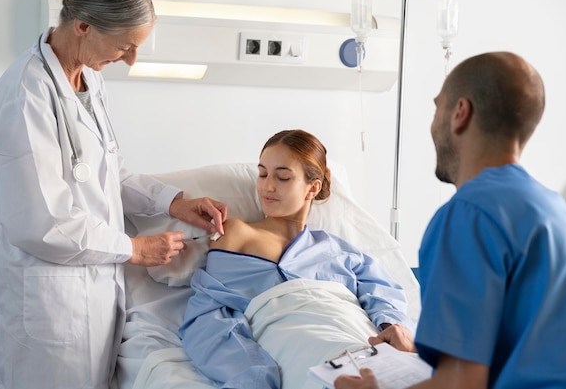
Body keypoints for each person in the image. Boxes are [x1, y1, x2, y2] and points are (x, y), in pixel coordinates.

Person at [0, 0, 227, 388]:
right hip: (45, 311)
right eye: (125, 45)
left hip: (90, 299)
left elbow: (109, 175)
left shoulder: (89, 81)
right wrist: (134, 248)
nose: (130, 59)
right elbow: (42, 225)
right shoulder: (26, 96)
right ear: (83, 26)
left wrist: (173, 203)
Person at [334, 51, 566, 389]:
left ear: (460, 113)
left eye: (437, 107)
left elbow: (462, 384)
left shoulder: (469, 215)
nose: (433, 123)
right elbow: (524, 343)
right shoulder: (555, 210)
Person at [178, 129, 415, 389]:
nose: (267, 186)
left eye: (282, 177)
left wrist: (392, 326)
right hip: (299, 343)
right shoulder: (237, 233)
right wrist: (251, 375)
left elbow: (383, 292)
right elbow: (209, 315)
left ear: (312, 188)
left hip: (359, 336)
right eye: (262, 174)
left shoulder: (337, 249)